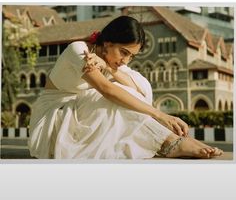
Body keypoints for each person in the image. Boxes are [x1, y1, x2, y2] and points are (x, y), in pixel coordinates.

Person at [28, 16, 223, 159]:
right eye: (123, 52)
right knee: (111, 97)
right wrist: (162, 115)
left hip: (80, 114)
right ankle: (170, 143)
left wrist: (109, 68)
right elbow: (107, 90)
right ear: (107, 43)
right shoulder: (79, 50)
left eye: (131, 56)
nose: (125, 60)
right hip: (54, 120)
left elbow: (138, 90)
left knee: (128, 91)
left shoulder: (108, 60)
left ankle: (170, 141)